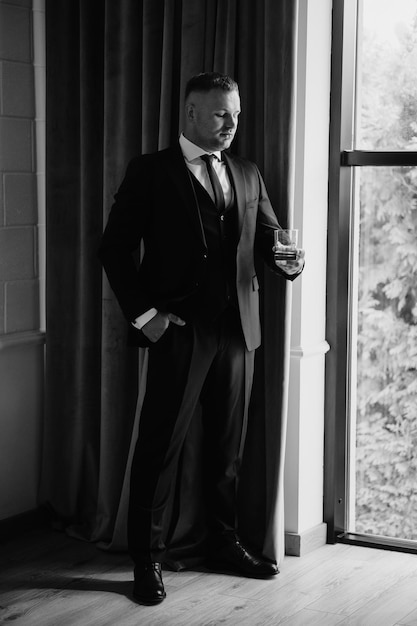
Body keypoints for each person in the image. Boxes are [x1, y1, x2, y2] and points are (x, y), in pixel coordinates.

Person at [98, 72, 305, 605]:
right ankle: (147, 559)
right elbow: (115, 249)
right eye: (220, 115)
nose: (232, 124)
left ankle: (223, 543)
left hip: (239, 331)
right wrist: (147, 316)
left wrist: (290, 262)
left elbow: (268, 239)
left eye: (236, 114)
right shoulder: (151, 171)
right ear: (190, 113)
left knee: (226, 449)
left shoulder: (247, 171)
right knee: (159, 449)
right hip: (179, 332)